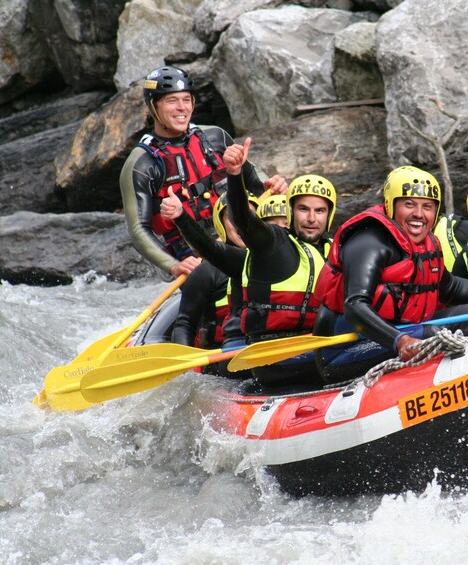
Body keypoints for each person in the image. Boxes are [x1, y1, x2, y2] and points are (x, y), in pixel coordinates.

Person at [313, 165, 468, 385]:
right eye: (409, 204)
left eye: (427, 206)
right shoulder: (369, 242)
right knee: (435, 332)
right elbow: (354, 305)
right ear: (391, 205)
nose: (419, 214)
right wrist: (400, 341)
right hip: (346, 348)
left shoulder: (428, 243)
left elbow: (451, 288)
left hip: (405, 330)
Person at [120, 65, 281, 277]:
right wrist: (173, 266)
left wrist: (271, 185)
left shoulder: (216, 137)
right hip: (195, 257)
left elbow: (255, 182)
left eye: (186, 100)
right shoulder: (141, 164)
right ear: (153, 106)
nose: (182, 107)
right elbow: (138, 229)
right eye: (172, 101)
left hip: (240, 240)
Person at [223, 138, 335, 388]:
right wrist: (235, 175)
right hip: (273, 356)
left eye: (320, 211)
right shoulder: (273, 243)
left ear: (329, 215)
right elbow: (243, 219)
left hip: (316, 345)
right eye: (303, 209)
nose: (311, 218)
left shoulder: (335, 250)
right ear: (290, 212)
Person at [160, 189, 260, 358]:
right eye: (233, 217)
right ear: (221, 224)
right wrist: (188, 367)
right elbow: (184, 325)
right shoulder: (206, 272)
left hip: (261, 351)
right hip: (220, 360)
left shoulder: (273, 261)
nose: (242, 223)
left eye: (249, 215)